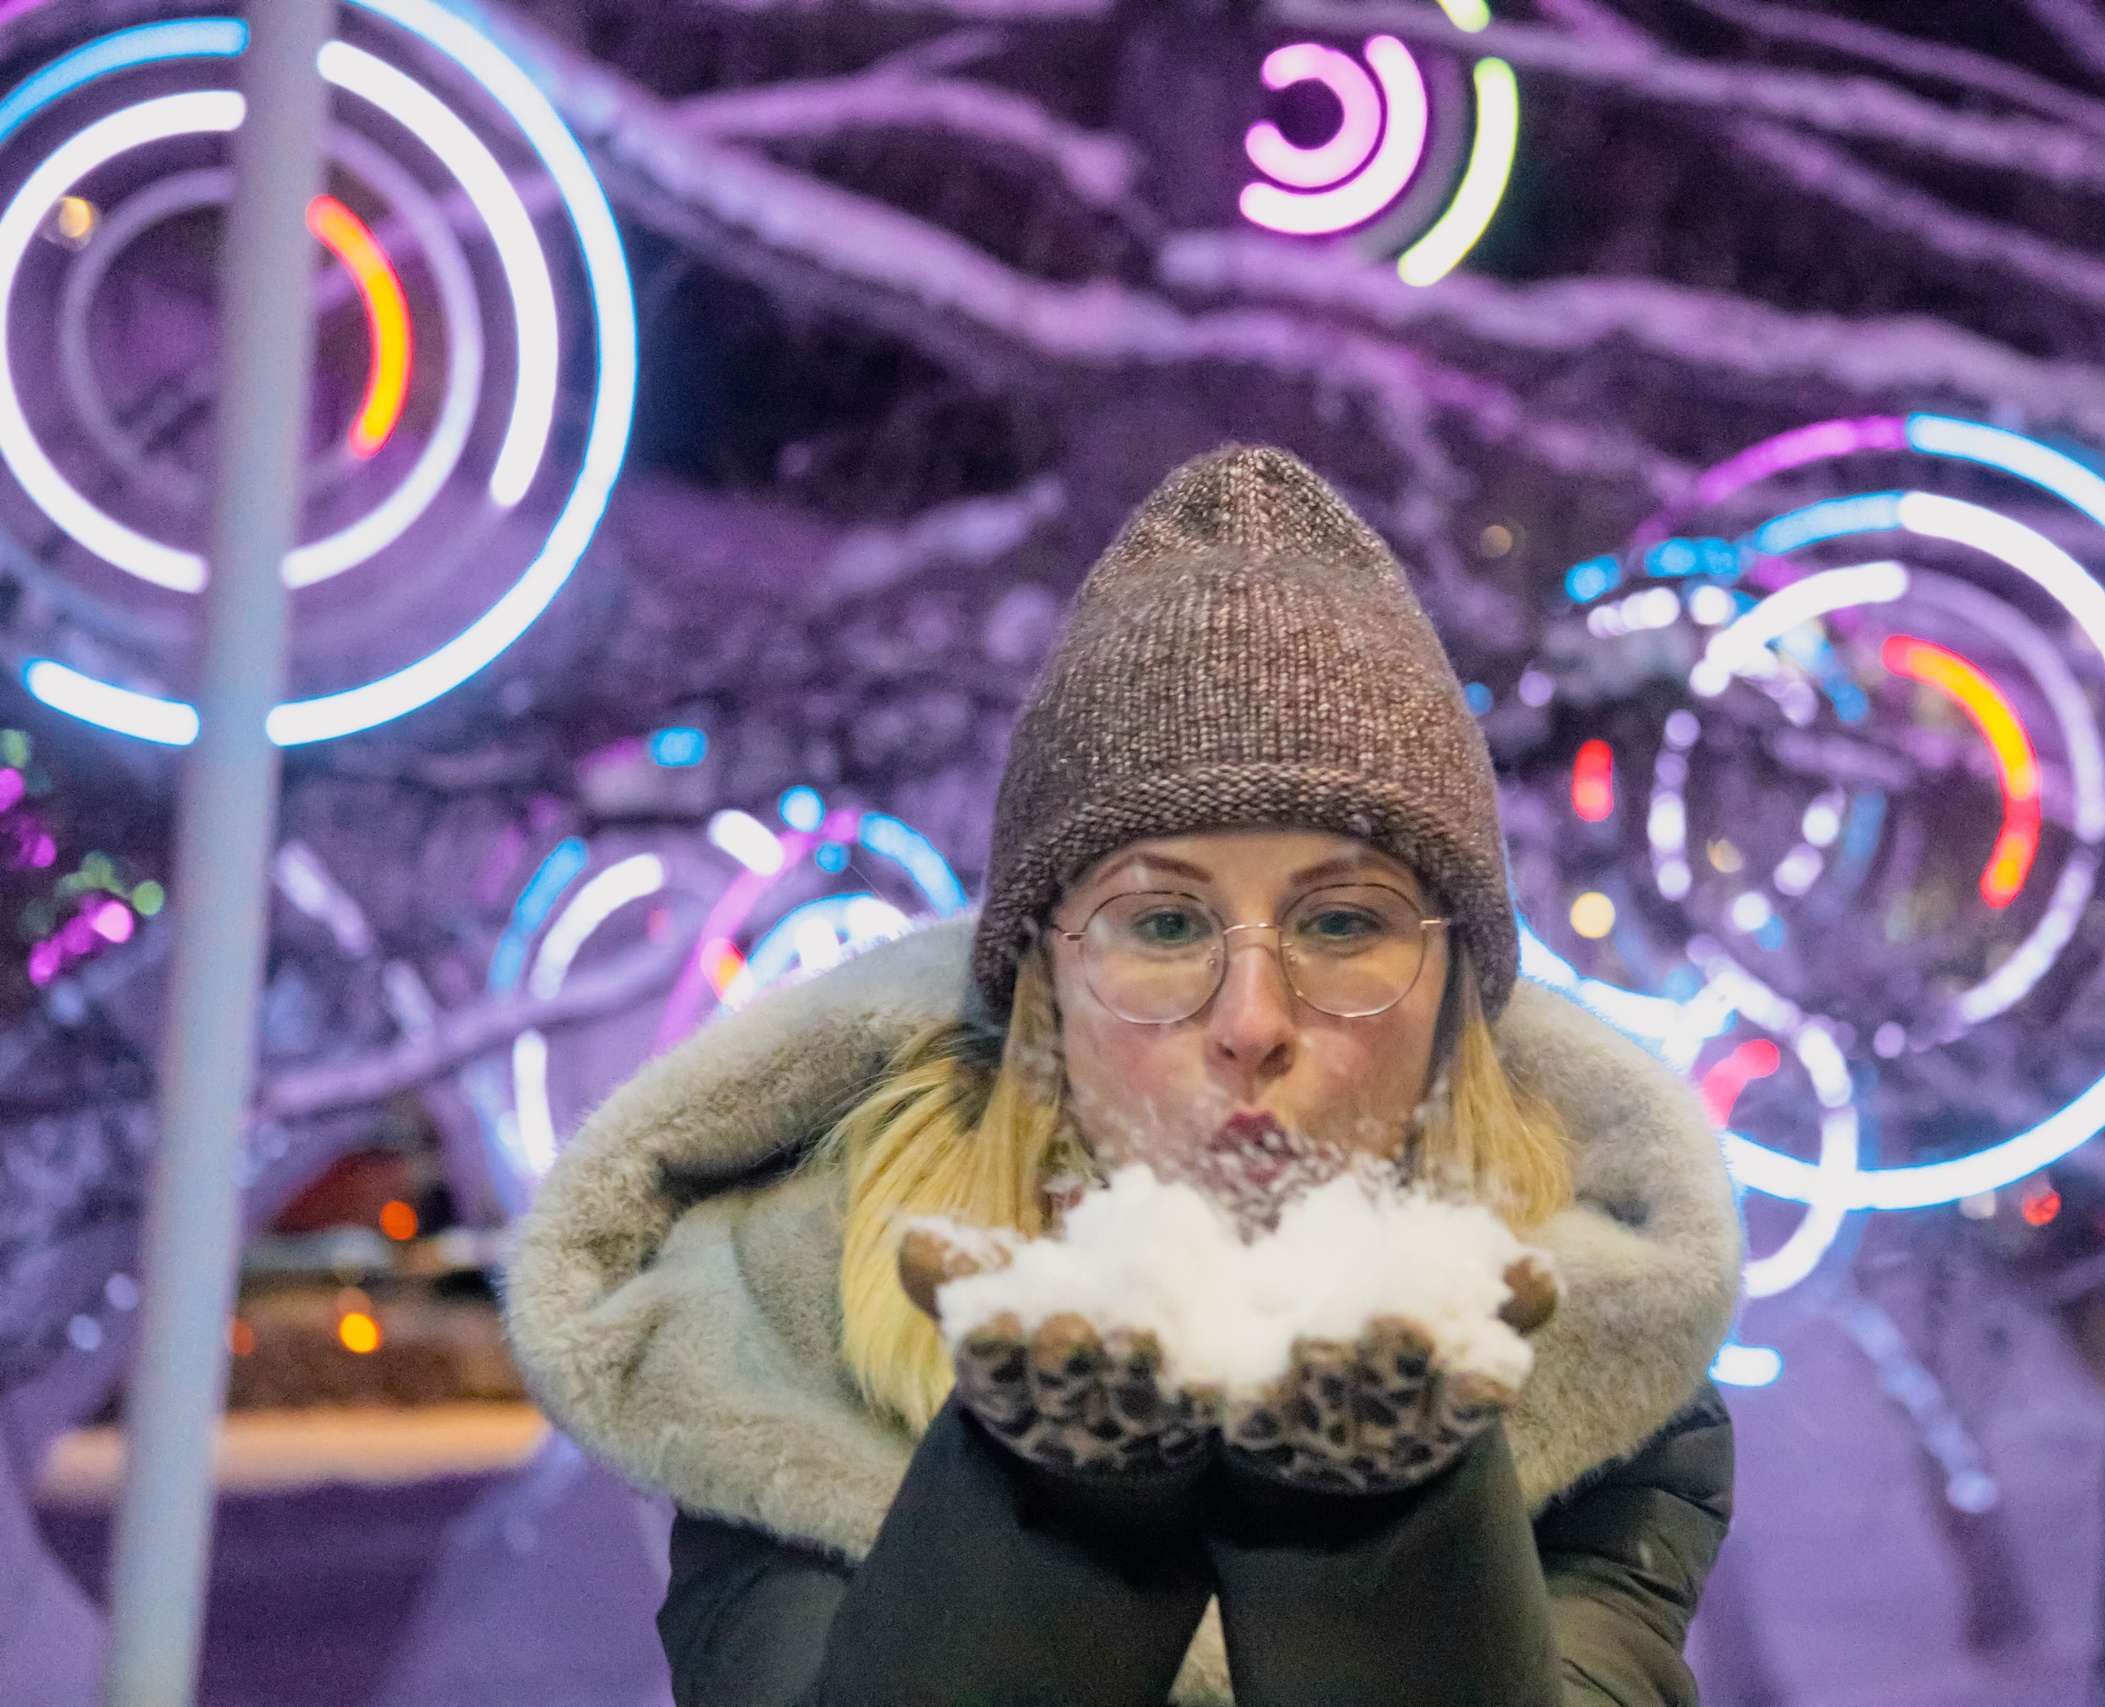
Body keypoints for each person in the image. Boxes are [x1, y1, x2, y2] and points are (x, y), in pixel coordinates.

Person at [506, 447, 1743, 1706]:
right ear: (1044, 983)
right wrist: (1056, 1489)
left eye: (1340, 926)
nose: (1252, 1021)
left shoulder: (1600, 1350)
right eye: (1163, 928)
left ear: (1450, 1001)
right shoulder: (787, 1328)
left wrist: (1382, 1496)